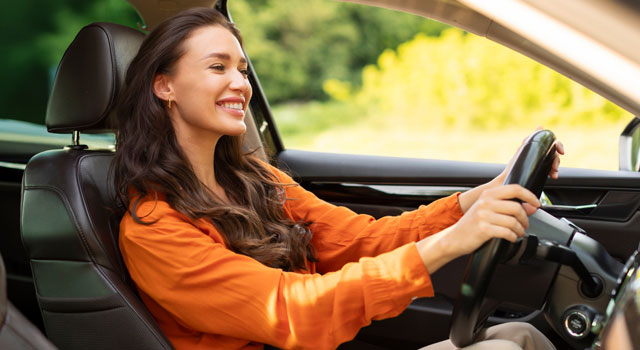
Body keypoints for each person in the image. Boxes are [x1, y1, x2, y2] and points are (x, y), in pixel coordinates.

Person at [113, 7, 562, 350]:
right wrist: (451, 241)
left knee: (519, 336)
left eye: (243, 69)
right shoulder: (155, 229)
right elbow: (291, 310)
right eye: (218, 67)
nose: (241, 84)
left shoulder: (257, 179)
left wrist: (474, 200)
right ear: (164, 86)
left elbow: (363, 240)